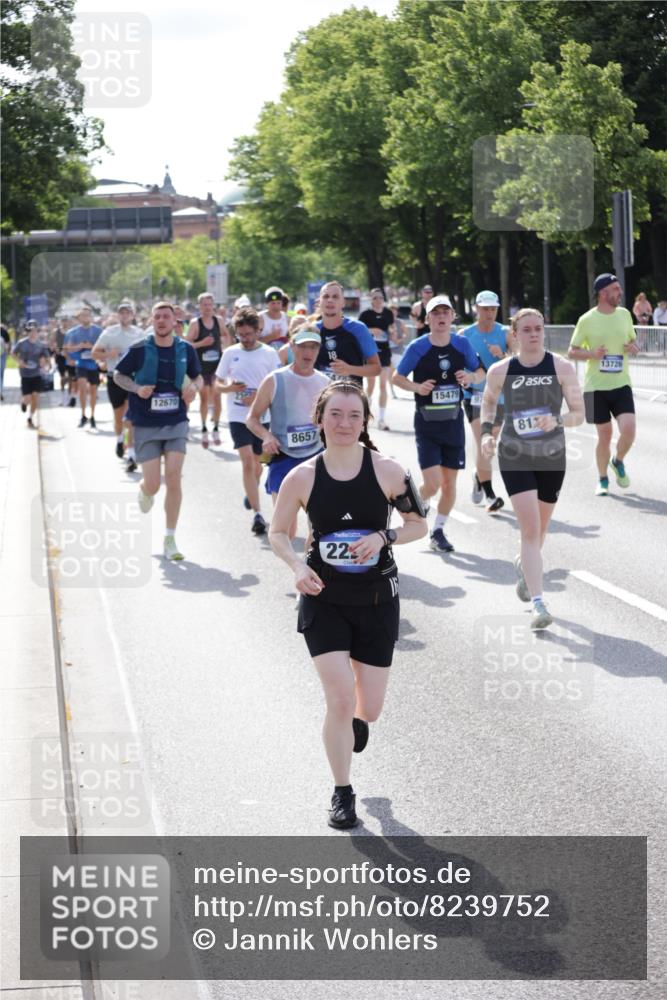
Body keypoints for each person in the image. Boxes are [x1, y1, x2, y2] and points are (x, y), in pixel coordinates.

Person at [268, 381, 428, 829]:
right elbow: (277, 532)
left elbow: (419, 524)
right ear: (319, 419)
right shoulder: (301, 477)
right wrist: (298, 568)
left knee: (368, 708)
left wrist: (385, 535)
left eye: (353, 416)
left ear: (364, 421)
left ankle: (357, 722)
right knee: (339, 698)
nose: (344, 424)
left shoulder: (389, 471)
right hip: (325, 598)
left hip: (377, 599)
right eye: (335, 414)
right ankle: (342, 792)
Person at [481, 308, 584, 629]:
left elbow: (579, 413)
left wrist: (558, 419)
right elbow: (488, 401)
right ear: (515, 333)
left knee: (540, 529)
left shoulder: (562, 367)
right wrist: (487, 433)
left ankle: (526, 566)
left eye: (538, 328)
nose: (534, 334)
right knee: (529, 529)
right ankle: (539, 604)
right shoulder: (500, 370)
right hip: (515, 455)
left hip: (552, 457)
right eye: (526, 329)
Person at [392, 295, 485, 553]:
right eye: (435, 313)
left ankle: (438, 531)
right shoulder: (419, 347)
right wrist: (417, 387)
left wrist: (469, 376)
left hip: (453, 423)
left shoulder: (462, 344)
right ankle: (411, 502)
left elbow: (481, 372)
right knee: (432, 484)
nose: (441, 317)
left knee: (449, 485)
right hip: (427, 423)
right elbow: (397, 378)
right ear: (427, 318)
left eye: (445, 312)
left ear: (453, 316)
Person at [113, 302, 202, 561]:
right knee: (153, 484)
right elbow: (119, 375)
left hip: (176, 421)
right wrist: (136, 388)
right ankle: (145, 490)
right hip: (145, 423)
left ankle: (170, 537)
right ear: (152, 321)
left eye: (166, 316)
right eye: (157, 317)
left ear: (175, 321)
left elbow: (197, 377)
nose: (162, 321)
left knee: (173, 477)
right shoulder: (140, 349)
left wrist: (193, 388)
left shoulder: (185, 349)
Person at [247, 326, 330, 539]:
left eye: (313, 347)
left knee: (318, 528)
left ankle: (310, 570)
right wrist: (267, 436)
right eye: (302, 346)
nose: (307, 352)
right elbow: (252, 419)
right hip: (284, 459)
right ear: (292, 347)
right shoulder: (275, 380)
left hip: (315, 459)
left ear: (319, 349)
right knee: (286, 531)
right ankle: (297, 569)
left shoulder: (325, 383)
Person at [568, 273, 640, 495]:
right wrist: (592, 353)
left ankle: (618, 461)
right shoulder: (586, 320)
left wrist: (633, 349)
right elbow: (572, 351)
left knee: (629, 430)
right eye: (616, 289)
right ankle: (602, 479)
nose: (620, 293)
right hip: (595, 387)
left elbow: (633, 342)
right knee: (605, 435)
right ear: (603, 293)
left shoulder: (625, 315)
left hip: (621, 383)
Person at [215, 306, 280, 535]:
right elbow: (217, 383)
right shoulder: (230, 353)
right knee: (245, 463)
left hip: (263, 417)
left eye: (249, 334)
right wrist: (230, 388)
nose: (245, 339)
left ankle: (250, 488)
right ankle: (258, 515)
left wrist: (259, 398)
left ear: (258, 330)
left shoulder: (270, 354)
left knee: (256, 465)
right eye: (241, 335)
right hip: (237, 416)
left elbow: (278, 386)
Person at [460, 290, 507, 512]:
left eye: (493, 309)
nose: (489, 313)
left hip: (499, 397)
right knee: (484, 442)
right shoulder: (464, 335)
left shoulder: (505, 333)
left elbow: (519, 362)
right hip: (474, 397)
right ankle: (490, 495)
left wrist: (503, 355)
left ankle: (478, 476)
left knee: (489, 446)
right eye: (485, 309)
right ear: (476, 309)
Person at [92, 301, 146, 467]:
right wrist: (110, 354)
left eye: (127, 313)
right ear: (117, 315)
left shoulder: (139, 333)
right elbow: (94, 353)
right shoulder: (109, 332)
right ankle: (119, 439)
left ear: (132, 315)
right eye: (121, 313)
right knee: (118, 416)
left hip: (132, 379)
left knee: (130, 416)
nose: (124, 315)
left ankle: (131, 454)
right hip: (114, 377)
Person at [315, 280, 381, 385]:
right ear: (319, 302)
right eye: (326, 296)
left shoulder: (358, 329)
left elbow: (376, 368)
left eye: (335, 297)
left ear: (343, 303)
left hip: (351, 397)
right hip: (320, 398)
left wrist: (350, 369)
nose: (330, 300)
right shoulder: (312, 330)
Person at [186, 292, 230, 447]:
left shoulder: (219, 321)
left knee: (217, 397)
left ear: (214, 306)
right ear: (199, 306)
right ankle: (204, 428)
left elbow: (226, 336)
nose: (207, 308)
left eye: (210, 304)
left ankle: (216, 428)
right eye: (204, 305)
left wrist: (226, 349)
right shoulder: (195, 323)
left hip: (216, 366)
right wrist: (202, 343)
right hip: (201, 368)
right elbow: (187, 344)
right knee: (205, 398)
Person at [359, 289, 396, 430]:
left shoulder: (388, 313)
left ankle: (381, 419)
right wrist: (372, 330)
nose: (378, 300)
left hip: (385, 351)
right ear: (371, 299)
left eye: (380, 297)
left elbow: (392, 328)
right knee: (371, 386)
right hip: (370, 352)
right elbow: (359, 331)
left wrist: (393, 334)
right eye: (375, 297)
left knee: (383, 385)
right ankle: (364, 416)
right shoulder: (365, 314)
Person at [63, 306, 102, 428]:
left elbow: (104, 347)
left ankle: (92, 415)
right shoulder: (73, 332)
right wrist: (79, 346)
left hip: (94, 364)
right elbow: (67, 349)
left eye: (88, 315)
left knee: (93, 391)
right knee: (82, 387)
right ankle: (83, 415)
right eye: (83, 315)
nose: (86, 317)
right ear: (79, 317)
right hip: (80, 364)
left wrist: (92, 347)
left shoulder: (98, 331)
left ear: (91, 316)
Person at [12, 320, 51, 427]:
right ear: (27, 332)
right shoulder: (21, 343)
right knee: (28, 398)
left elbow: (47, 357)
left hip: (37, 374)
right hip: (25, 374)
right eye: (30, 331)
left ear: (37, 332)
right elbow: (13, 353)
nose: (32, 333)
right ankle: (24, 403)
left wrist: (47, 365)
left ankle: (30, 417)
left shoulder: (41, 345)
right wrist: (19, 362)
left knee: (36, 397)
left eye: (34, 331)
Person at [0, 323, 10, 401]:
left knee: (1, 374)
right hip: (2, 355)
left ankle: (0, 391)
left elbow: (7, 344)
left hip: (2, 355)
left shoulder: (3, 331)